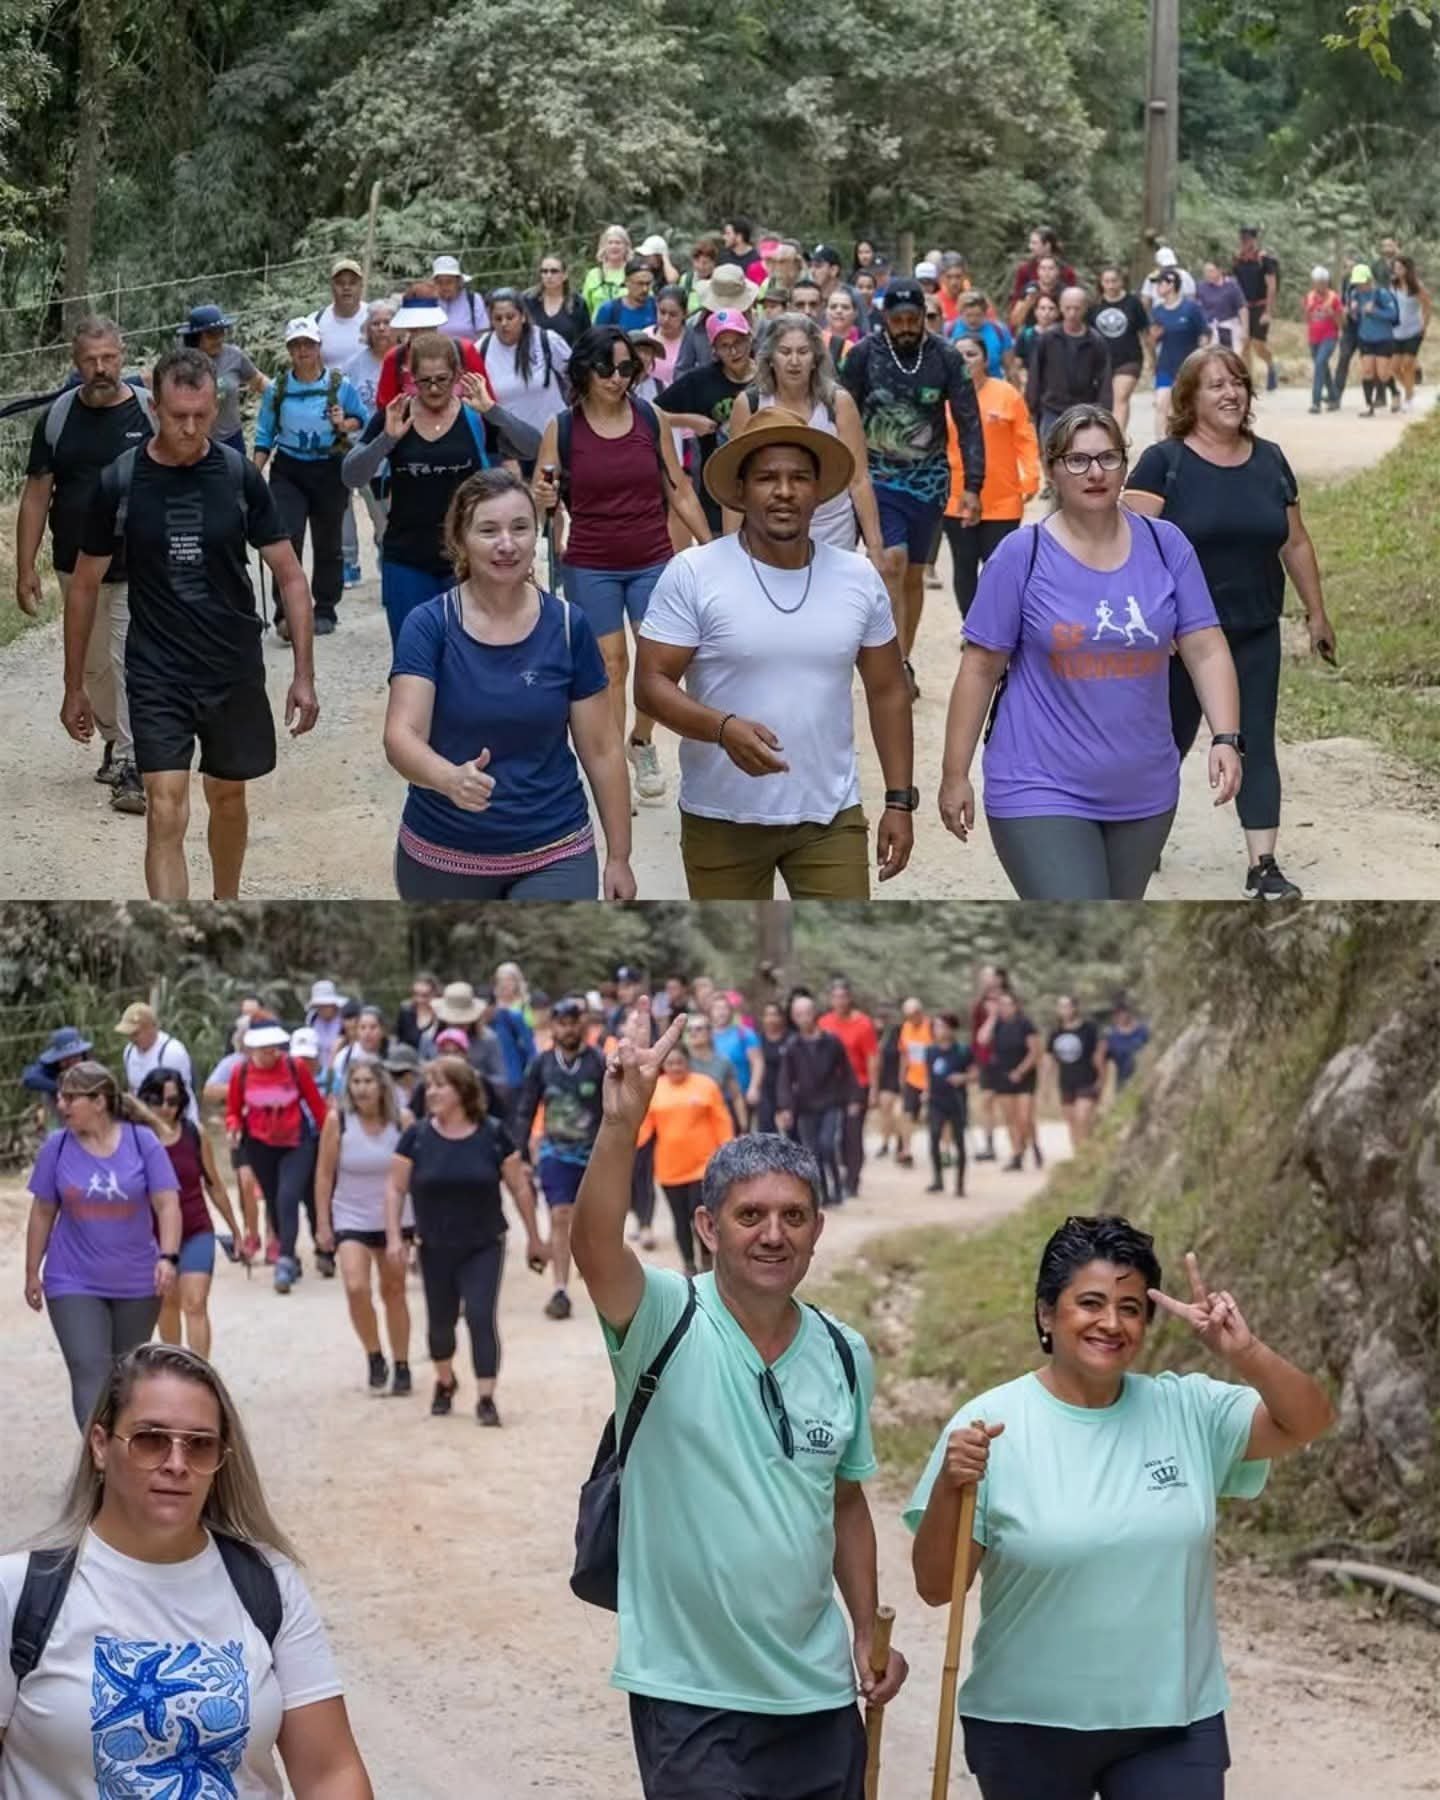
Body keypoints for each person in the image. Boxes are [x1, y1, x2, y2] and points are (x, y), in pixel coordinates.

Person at [570, 1020, 907, 1799]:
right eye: (749, 1215)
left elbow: (847, 1502)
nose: (773, 1234)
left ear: (818, 1230)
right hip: (690, 1697)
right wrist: (623, 1123)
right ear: (706, 1226)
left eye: (793, 1216)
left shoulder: (844, 1350)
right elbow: (593, 1248)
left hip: (819, 1698)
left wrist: (863, 1629)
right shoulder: (660, 1316)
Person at [906, 1216, 1333, 1800]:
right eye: (1090, 1303)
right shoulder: (989, 1426)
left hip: (1173, 1724)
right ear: (1046, 1314)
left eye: (1131, 1308)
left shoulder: (1190, 1410)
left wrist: (1245, 1350)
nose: (1112, 1323)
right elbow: (935, 1586)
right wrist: (949, 1488)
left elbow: (1309, 1421)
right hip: (1027, 1727)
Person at [0, 1341, 374, 1797]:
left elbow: (329, 1773)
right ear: (100, 1446)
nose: (176, 1464)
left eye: (199, 1446)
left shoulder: (267, 1585)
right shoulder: (18, 1594)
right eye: (150, 1440)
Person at [940, 405, 1243, 900]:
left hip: (1144, 786)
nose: (1096, 472)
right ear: (1053, 470)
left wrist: (1226, 737)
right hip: (1038, 783)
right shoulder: (1023, 554)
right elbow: (979, 667)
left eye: (1108, 458)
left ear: (1126, 465)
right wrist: (955, 775)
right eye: (1078, 461)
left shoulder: (1166, 546)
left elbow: (1205, 647)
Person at [63, 347, 318, 900]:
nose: (189, 427)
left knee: (227, 797)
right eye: (177, 415)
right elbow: (85, 585)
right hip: (157, 670)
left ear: (215, 406)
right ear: (153, 407)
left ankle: (224, 904)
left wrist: (304, 674)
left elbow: (291, 577)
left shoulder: (237, 476)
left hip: (231, 665)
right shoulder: (120, 482)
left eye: (201, 415)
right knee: (164, 805)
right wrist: (73, 684)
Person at [636, 406, 915, 900]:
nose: (784, 491)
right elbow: (650, 686)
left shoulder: (856, 577)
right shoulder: (695, 573)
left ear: (819, 490)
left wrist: (899, 801)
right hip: (721, 816)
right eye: (766, 478)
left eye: (799, 478)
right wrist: (721, 730)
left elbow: (889, 689)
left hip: (830, 813)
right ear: (741, 490)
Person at [1126, 348, 1336, 900]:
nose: (1230, 393)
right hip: (1179, 640)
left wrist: (1317, 613)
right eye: (1216, 384)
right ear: (1190, 398)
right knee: (1162, 745)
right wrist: (1153, 623)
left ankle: (1262, 865)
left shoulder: (1270, 460)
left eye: (1238, 383)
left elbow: (1294, 540)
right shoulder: (1162, 462)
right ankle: (1135, 844)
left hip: (1255, 629)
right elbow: (1125, 548)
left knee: (1255, 742)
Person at [384, 468, 635, 900]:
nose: (507, 544)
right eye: (488, 530)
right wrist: (447, 778)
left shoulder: (570, 627)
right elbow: (401, 736)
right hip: (442, 853)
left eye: (520, 528)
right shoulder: (429, 625)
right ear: (460, 540)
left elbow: (603, 749)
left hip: (555, 850)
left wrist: (619, 857)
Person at [534, 327, 712, 803]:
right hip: (591, 561)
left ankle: (642, 740)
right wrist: (543, 498)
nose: (617, 378)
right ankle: (613, 765)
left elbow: (679, 489)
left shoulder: (649, 417)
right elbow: (542, 493)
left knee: (660, 661)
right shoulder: (563, 427)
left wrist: (711, 546)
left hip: (652, 556)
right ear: (584, 371)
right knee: (612, 665)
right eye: (606, 368)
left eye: (627, 369)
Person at [18, 316, 156, 814]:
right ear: (75, 364)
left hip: (136, 564)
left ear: (123, 355)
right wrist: (25, 567)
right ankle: (115, 739)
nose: (100, 369)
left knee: (127, 660)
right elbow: (36, 496)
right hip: (74, 565)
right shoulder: (57, 419)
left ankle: (133, 761)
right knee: (94, 666)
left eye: (109, 358)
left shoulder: (148, 411)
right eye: (90, 361)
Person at [344, 331, 539, 649]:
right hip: (406, 557)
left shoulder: (476, 416)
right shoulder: (396, 415)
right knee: (414, 659)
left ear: (458, 376)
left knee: (470, 657)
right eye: (425, 381)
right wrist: (387, 440)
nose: (433, 389)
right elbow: (350, 476)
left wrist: (493, 411)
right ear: (411, 378)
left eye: (442, 379)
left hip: (468, 559)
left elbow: (534, 447)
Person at [385, 1054, 548, 1425]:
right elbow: (395, 1189)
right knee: (440, 1323)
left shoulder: (492, 1134)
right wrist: (395, 1237)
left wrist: (536, 1238)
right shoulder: (417, 1137)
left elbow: (519, 1188)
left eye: (441, 1085)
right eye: (430, 1085)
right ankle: (445, 1381)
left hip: (484, 1242)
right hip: (435, 1245)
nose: (432, 1092)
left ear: (461, 1091)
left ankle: (486, 1397)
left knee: (479, 1315)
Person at [839, 277, 984, 689]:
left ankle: (903, 657)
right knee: (890, 563)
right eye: (896, 318)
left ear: (923, 317)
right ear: (884, 317)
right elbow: (841, 410)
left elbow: (969, 421)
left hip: (929, 481)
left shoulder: (945, 357)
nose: (904, 326)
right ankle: (888, 667)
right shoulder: (864, 355)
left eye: (912, 318)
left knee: (914, 574)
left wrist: (973, 484)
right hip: (877, 478)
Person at [23, 1060, 181, 1430]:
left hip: (137, 1281)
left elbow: (167, 1203)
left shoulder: (143, 1143)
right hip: (72, 1279)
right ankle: (98, 1465)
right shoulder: (57, 1147)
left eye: (70, 1098)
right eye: (61, 1097)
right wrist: (33, 1270)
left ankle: (121, 1456)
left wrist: (168, 1258)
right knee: (88, 1368)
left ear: (99, 1101)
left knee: (123, 1376)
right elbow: (43, 1211)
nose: (61, 1105)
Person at [725, 313, 884, 558]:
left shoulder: (838, 403)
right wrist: (729, 550)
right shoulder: (750, 404)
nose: (794, 361)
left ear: (815, 359)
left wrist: (875, 545)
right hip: (768, 532)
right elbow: (736, 482)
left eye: (803, 351)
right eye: (785, 352)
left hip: (833, 531)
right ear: (770, 359)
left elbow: (859, 478)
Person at [253, 315, 365, 637]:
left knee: (328, 541)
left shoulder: (338, 386)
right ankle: (285, 611)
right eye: (296, 345)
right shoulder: (277, 390)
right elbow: (264, 434)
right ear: (289, 350)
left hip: (329, 468)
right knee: (285, 539)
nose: (302, 351)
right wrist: (251, 475)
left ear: (319, 346)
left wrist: (345, 424)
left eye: (308, 344)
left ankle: (325, 608)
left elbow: (362, 418)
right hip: (289, 469)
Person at [314, 1056, 412, 1395]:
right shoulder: (337, 1122)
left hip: (395, 1217)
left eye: (368, 1081)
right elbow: (324, 1174)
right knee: (356, 1286)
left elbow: (416, 1173)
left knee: (394, 1290)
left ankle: (402, 1363)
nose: (362, 1089)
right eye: (355, 1082)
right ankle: (374, 1355)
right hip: (350, 1214)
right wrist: (323, 1223)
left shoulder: (402, 1123)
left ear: (381, 1085)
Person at [135, 1066, 241, 1354]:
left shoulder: (194, 1134)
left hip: (196, 1229)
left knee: (195, 1303)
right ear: (145, 1100)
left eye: (172, 1101)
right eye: (157, 1101)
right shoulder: (135, 1140)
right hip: (152, 1236)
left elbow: (214, 1184)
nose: (165, 1108)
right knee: (167, 1303)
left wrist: (235, 1229)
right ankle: (177, 1370)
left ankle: (201, 1375)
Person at [514, 995, 606, 1322]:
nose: (568, 1029)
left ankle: (601, 1282)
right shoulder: (542, 1065)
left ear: (582, 1025)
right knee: (560, 1215)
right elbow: (525, 1108)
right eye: (561, 1024)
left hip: (593, 1152)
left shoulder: (598, 1062)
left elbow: (613, 1108)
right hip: (555, 1151)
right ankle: (560, 1289)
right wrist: (522, 1151)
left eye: (573, 1023)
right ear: (552, 1027)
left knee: (594, 1221)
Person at [226, 1022, 326, 1295]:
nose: (268, 1054)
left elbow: (317, 1106)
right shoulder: (241, 1072)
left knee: (288, 1195)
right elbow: (233, 1110)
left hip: (296, 1141)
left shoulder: (296, 1068)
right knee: (272, 1199)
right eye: (261, 1049)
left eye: (272, 1048)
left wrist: (329, 1142)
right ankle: (289, 1251)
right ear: (251, 1049)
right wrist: (233, 1127)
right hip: (259, 1143)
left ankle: (284, 1261)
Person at [945, 336, 1040, 617]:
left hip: (1003, 498)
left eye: (971, 354)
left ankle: (998, 627)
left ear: (986, 360)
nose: (965, 360)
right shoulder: (944, 398)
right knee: (964, 565)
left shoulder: (1007, 394)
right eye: (958, 354)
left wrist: (1031, 477)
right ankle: (972, 627)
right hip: (956, 497)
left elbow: (1025, 439)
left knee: (1000, 567)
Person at [655, 296, 762, 537]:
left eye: (738, 342)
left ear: (750, 340)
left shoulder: (768, 377)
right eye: (724, 345)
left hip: (765, 484)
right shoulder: (701, 380)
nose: (733, 351)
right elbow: (651, 412)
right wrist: (690, 421)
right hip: (717, 489)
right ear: (714, 350)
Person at [776, 996, 859, 1211]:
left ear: (815, 1014)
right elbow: (785, 1079)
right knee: (811, 1151)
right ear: (794, 1017)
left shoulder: (832, 1041)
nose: (803, 1018)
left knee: (827, 1144)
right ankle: (822, 1192)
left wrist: (853, 1098)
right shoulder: (792, 1046)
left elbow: (847, 1071)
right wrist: (785, 1107)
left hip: (831, 1102)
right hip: (805, 1106)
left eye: (807, 1013)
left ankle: (838, 1186)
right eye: (798, 1014)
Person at [477, 289, 572, 448]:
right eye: (498, 319)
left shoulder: (547, 340)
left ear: (523, 317)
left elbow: (576, 376)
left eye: (510, 317)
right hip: (514, 447)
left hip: (557, 439)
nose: (504, 324)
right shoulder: (481, 350)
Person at [817, 979, 878, 1199]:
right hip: (832, 1087)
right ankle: (835, 1175)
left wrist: (873, 1089)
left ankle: (852, 1179)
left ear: (850, 998)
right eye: (835, 997)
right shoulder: (824, 1023)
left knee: (852, 1133)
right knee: (832, 1135)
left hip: (858, 1085)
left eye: (843, 996)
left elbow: (872, 1058)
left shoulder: (863, 1024)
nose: (840, 1001)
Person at [180, 303, 267, 455]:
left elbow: (258, 381)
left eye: (221, 332)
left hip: (232, 439)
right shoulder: (181, 365)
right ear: (196, 337)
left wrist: (283, 396)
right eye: (211, 335)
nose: (218, 339)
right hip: (195, 442)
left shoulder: (233, 356)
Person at [1027, 288, 1113, 440]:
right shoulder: (1048, 339)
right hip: (1052, 408)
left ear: (1085, 308)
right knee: (1051, 457)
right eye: (1068, 308)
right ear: (1060, 307)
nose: (1072, 313)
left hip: (1084, 410)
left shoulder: (1095, 341)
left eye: (1077, 308)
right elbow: (1035, 374)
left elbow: (1104, 379)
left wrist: (1104, 411)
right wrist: (1031, 407)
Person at [977, 990, 1043, 1170]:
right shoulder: (997, 1024)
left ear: (1016, 1006)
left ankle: (1033, 1144)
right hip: (1003, 1075)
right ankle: (1017, 1154)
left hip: (1024, 1075)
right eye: (1002, 1005)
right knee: (1009, 1117)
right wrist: (992, 1017)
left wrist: (1020, 1071)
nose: (1005, 1008)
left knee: (1024, 1116)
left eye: (1008, 1004)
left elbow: (1035, 1051)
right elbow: (982, 1039)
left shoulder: (1025, 1024)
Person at [1086, 267, 1151, 432]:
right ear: (1101, 284)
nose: (1111, 285)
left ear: (1121, 282)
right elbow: (1087, 334)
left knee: (1120, 398)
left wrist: (1151, 358)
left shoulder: (1133, 303)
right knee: (1107, 402)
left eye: (1114, 281)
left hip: (1129, 358)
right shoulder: (1094, 306)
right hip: (1102, 361)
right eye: (1106, 281)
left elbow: (1144, 332)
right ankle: (1113, 436)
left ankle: (1116, 443)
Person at [1148, 271, 1211, 432]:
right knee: (1162, 404)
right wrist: (1153, 339)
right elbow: (1151, 341)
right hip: (1165, 366)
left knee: (1184, 408)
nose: (1156, 287)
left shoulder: (1191, 308)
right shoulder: (1157, 311)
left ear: (1171, 284)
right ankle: (1160, 446)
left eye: (1160, 283)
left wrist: (1202, 356)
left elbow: (1204, 332)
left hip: (1189, 367)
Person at [115, 1002, 196, 1120]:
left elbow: (179, 1098)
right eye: (129, 1034)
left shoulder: (172, 1052)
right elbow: (132, 1089)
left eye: (136, 1034)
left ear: (152, 1028)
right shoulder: (129, 1051)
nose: (132, 1039)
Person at [924, 1012, 973, 1197]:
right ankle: (938, 1179)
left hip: (956, 1100)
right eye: (936, 1027)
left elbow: (975, 1073)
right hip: (936, 1100)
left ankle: (960, 1184)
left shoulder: (962, 1050)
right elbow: (929, 1076)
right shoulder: (930, 1051)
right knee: (934, 1137)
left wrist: (963, 1078)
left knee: (959, 1142)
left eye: (942, 1026)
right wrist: (926, 1093)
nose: (939, 1031)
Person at [1046, 995, 1105, 1149]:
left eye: (1067, 1006)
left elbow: (1099, 1054)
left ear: (1075, 1008)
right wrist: (1047, 1085)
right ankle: (1078, 1153)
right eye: (1060, 1007)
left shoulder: (1088, 1029)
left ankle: (1087, 1150)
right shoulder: (1056, 1032)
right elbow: (1050, 1059)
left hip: (1087, 1079)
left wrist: (1101, 1078)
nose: (1064, 1010)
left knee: (1082, 1116)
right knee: (1071, 1121)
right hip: (1066, 1082)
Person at [1345, 262, 1402, 418]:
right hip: (1365, 338)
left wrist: (1375, 311)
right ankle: (1369, 406)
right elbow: (1356, 318)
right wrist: (1352, 311)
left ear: (1369, 280)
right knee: (1367, 371)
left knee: (1382, 373)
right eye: (1356, 283)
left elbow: (1393, 315)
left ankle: (1395, 393)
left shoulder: (1382, 294)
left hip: (1384, 338)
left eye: (1361, 283)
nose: (1359, 286)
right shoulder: (1355, 295)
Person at [1232, 224, 1280, 391]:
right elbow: (1235, 284)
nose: (1245, 242)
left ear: (1254, 240)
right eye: (1242, 239)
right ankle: (1248, 380)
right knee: (1245, 344)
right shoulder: (1238, 260)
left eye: (1248, 239)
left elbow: (1272, 286)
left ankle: (1271, 365)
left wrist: (1268, 310)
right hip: (1244, 307)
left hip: (1260, 305)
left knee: (1258, 344)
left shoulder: (1265, 260)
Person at [21, 1028, 93, 1130]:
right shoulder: (49, 1067)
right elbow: (29, 1078)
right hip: (59, 1118)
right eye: (67, 1059)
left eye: (76, 1057)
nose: (72, 1062)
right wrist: (61, 1087)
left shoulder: (90, 1065)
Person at [709, 993, 763, 1127]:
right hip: (712, 1097)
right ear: (710, 1012)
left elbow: (757, 1062)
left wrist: (754, 1087)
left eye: (724, 1008)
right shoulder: (705, 1035)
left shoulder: (745, 1034)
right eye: (717, 1008)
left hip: (740, 1095)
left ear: (731, 1011)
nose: (721, 1012)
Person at [1389, 254, 1431, 410]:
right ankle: (1410, 389)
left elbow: (1427, 306)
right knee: (1393, 368)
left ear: (1407, 269)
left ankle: (1408, 399)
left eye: (1400, 267)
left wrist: (1424, 326)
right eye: (1395, 268)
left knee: (1407, 364)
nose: (1397, 271)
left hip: (1414, 331)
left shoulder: (1416, 286)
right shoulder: (1392, 285)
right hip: (1396, 331)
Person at [315, 255, 371, 370]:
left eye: (352, 283)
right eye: (340, 283)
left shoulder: (374, 318)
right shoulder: (316, 321)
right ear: (332, 286)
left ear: (361, 286)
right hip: (329, 387)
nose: (346, 288)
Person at [525, 251, 590, 346]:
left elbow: (586, 340)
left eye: (554, 271)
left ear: (565, 275)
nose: (548, 276)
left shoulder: (578, 303)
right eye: (544, 271)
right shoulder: (528, 300)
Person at [895, 998, 931, 1170]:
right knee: (907, 1114)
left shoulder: (930, 1027)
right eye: (907, 1016)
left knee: (934, 1117)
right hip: (912, 1078)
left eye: (913, 1015)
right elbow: (904, 1054)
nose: (910, 1019)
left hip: (930, 1079)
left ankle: (944, 1150)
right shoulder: (906, 1028)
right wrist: (901, 1077)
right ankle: (906, 1151)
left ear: (920, 1013)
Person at [1304, 267, 1345, 414]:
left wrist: (1332, 314)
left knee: (1320, 364)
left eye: (1323, 282)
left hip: (1330, 337)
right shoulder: (1309, 297)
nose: (1320, 285)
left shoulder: (1334, 298)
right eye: (1317, 282)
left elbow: (1341, 322)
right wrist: (1308, 313)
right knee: (1323, 368)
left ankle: (1316, 402)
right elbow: (1307, 318)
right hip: (1314, 338)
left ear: (1327, 282)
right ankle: (1334, 398)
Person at [949, 290, 1014, 379]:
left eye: (978, 315)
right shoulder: (949, 330)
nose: (973, 320)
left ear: (985, 313)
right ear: (960, 313)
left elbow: (1010, 367)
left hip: (993, 384)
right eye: (968, 315)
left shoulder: (999, 330)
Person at [1009, 226, 1078, 304]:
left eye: (1034, 243)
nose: (1030, 247)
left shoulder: (1067, 272)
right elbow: (1016, 299)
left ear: (1047, 245)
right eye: (1030, 243)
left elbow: (1072, 301)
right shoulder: (1024, 270)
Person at [1195, 259, 1249, 356]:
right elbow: (1198, 310)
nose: (1208, 274)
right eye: (1205, 272)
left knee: (1231, 359)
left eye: (1211, 271)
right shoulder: (1201, 287)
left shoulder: (1231, 285)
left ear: (1219, 270)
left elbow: (1242, 308)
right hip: (1210, 329)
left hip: (1229, 327)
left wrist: (1245, 330)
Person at [431, 252, 489, 339]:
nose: (444, 286)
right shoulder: (430, 302)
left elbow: (484, 335)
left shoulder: (473, 300)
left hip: (469, 351)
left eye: (449, 282)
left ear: (459, 282)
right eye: (439, 282)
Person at [595, 257, 659, 332]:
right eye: (640, 283)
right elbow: (598, 340)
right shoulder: (609, 310)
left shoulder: (657, 307)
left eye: (648, 284)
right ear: (627, 282)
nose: (645, 289)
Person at [583, 226, 634, 316]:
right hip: (598, 328)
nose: (614, 246)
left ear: (626, 247)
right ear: (604, 247)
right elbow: (585, 309)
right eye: (610, 243)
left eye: (618, 243)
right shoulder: (594, 275)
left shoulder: (634, 273)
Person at [1104, 1000, 1151, 1089]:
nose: (1121, 1016)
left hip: (1144, 1076)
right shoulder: (1111, 1036)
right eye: (1117, 1014)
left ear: (1128, 1012)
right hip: (1123, 1081)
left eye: (1123, 1012)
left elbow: (1150, 1049)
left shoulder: (1142, 1030)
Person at [394, 972, 440, 1051]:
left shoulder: (441, 1015)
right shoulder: (405, 1012)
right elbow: (399, 1041)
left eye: (425, 995)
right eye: (415, 994)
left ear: (434, 993)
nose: (419, 1000)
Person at [823, 290, 861, 365]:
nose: (839, 311)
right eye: (833, 307)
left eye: (845, 307)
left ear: (855, 313)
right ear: (825, 311)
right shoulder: (817, 339)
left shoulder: (865, 340)